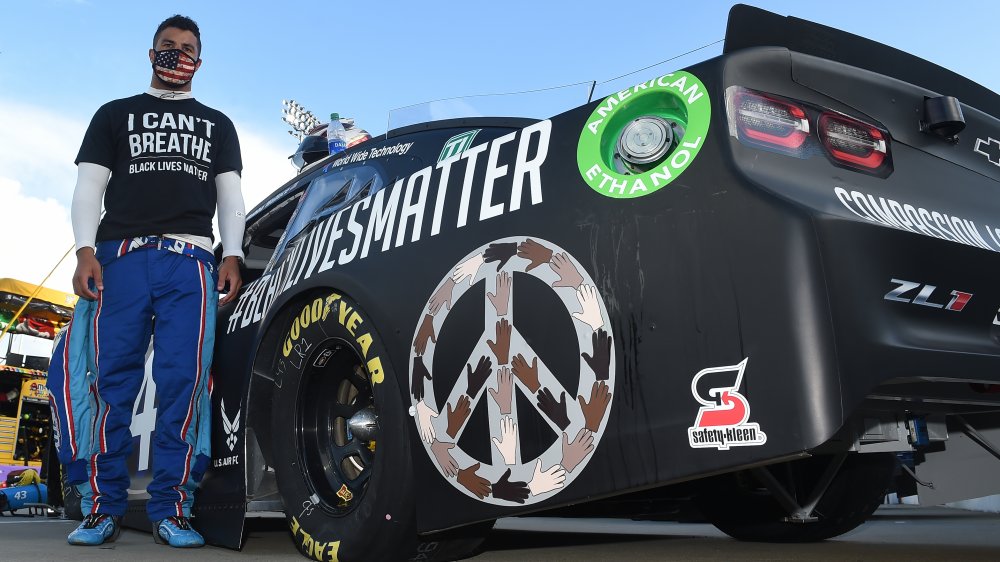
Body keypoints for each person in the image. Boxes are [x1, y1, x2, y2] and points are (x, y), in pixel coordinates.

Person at [46, 14, 245, 548]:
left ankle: (171, 510)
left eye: (186, 48)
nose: (176, 54)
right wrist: (86, 250)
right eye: (167, 46)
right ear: (150, 52)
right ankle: (100, 508)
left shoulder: (218, 124)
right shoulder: (115, 114)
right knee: (112, 385)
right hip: (121, 259)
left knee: (185, 384)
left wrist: (234, 252)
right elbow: (89, 187)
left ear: (199, 62)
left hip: (191, 262)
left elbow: (230, 197)